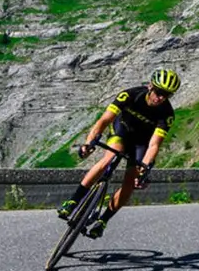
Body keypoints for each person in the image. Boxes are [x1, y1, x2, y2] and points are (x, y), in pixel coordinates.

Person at [57, 67, 180, 239]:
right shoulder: (130, 95)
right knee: (110, 157)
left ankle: (103, 220)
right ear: (151, 86)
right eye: (159, 92)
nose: (160, 98)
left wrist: (143, 170)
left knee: (131, 180)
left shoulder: (167, 113)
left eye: (167, 95)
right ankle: (73, 201)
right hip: (122, 131)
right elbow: (104, 120)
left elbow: (154, 144)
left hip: (141, 143)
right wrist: (89, 142)